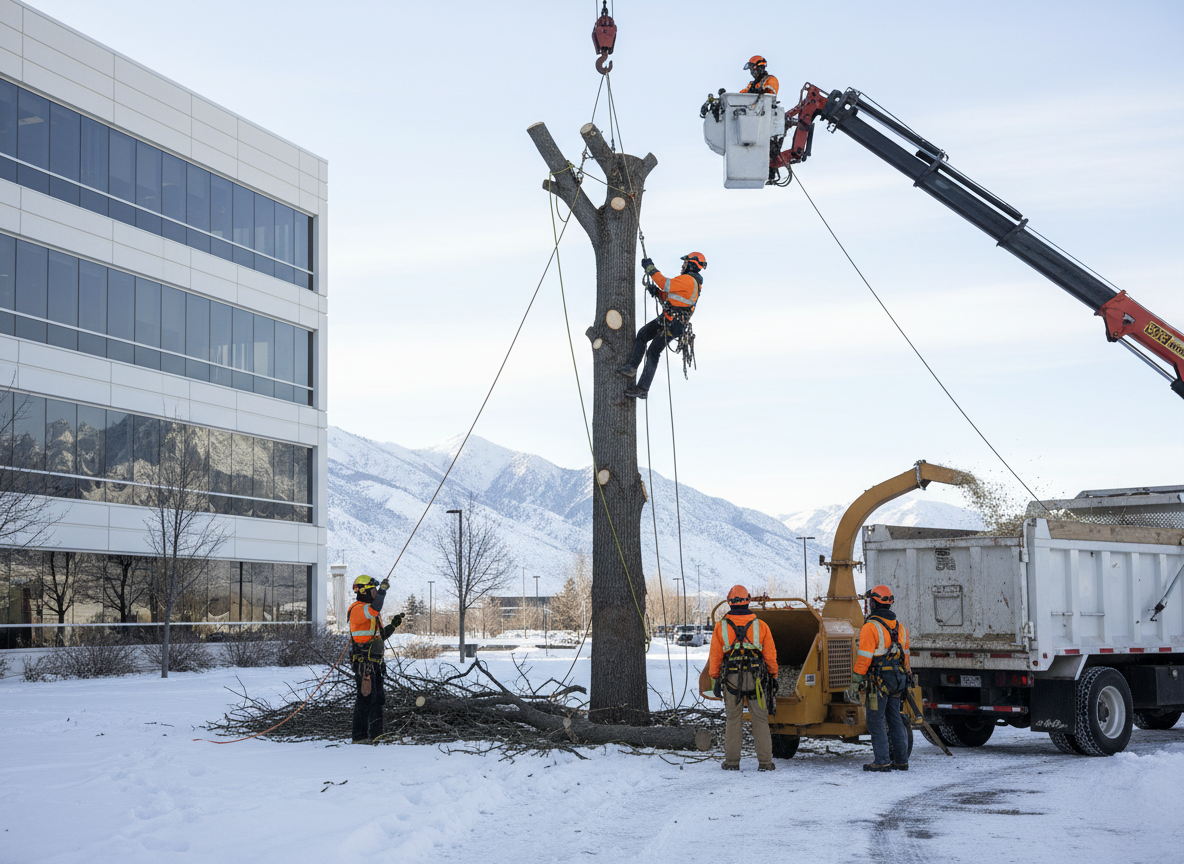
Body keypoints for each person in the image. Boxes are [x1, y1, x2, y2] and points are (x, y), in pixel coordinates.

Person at [707, 584, 779, 771]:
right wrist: (773, 675)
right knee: (760, 719)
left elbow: (715, 657)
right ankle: (765, 762)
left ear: (729, 602)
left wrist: (715, 679)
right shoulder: (761, 626)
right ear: (748, 600)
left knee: (733, 719)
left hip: (731, 678)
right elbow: (770, 656)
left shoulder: (720, 627)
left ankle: (732, 762)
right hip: (757, 679)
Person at [617, 252, 705, 399]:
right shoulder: (687, 281)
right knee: (643, 335)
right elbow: (669, 295)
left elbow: (665, 283)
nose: (682, 265)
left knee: (653, 351)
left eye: (685, 263)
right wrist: (657, 292)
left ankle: (643, 388)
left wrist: (650, 268)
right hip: (668, 319)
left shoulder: (689, 280)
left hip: (674, 324)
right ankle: (632, 367)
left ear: (691, 264)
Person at [852, 584, 912, 771]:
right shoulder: (900, 627)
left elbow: (864, 658)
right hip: (897, 679)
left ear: (874, 604)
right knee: (894, 717)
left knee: (875, 720)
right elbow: (906, 656)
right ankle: (901, 760)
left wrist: (855, 682)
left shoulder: (870, 627)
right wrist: (907, 676)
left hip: (878, 682)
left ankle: (882, 761)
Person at [348, 574, 404, 743]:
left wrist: (392, 626)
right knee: (365, 698)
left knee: (378, 699)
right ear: (364, 591)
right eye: (373, 590)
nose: (374, 593)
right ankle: (359, 736)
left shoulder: (369, 612)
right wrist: (382, 593)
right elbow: (374, 609)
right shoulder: (358, 609)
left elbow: (379, 636)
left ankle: (376, 733)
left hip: (375, 662)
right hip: (364, 663)